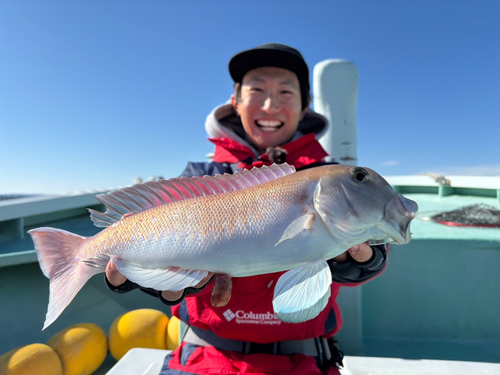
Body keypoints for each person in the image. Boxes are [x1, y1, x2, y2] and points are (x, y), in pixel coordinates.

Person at [106, 43, 388, 375]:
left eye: (285, 92)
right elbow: (163, 248)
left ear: (305, 105)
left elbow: (372, 255)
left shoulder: (333, 177)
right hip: (205, 360)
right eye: (256, 90)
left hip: (306, 361)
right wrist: (149, 279)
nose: (270, 105)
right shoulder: (200, 177)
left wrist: (358, 260)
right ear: (235, 102)